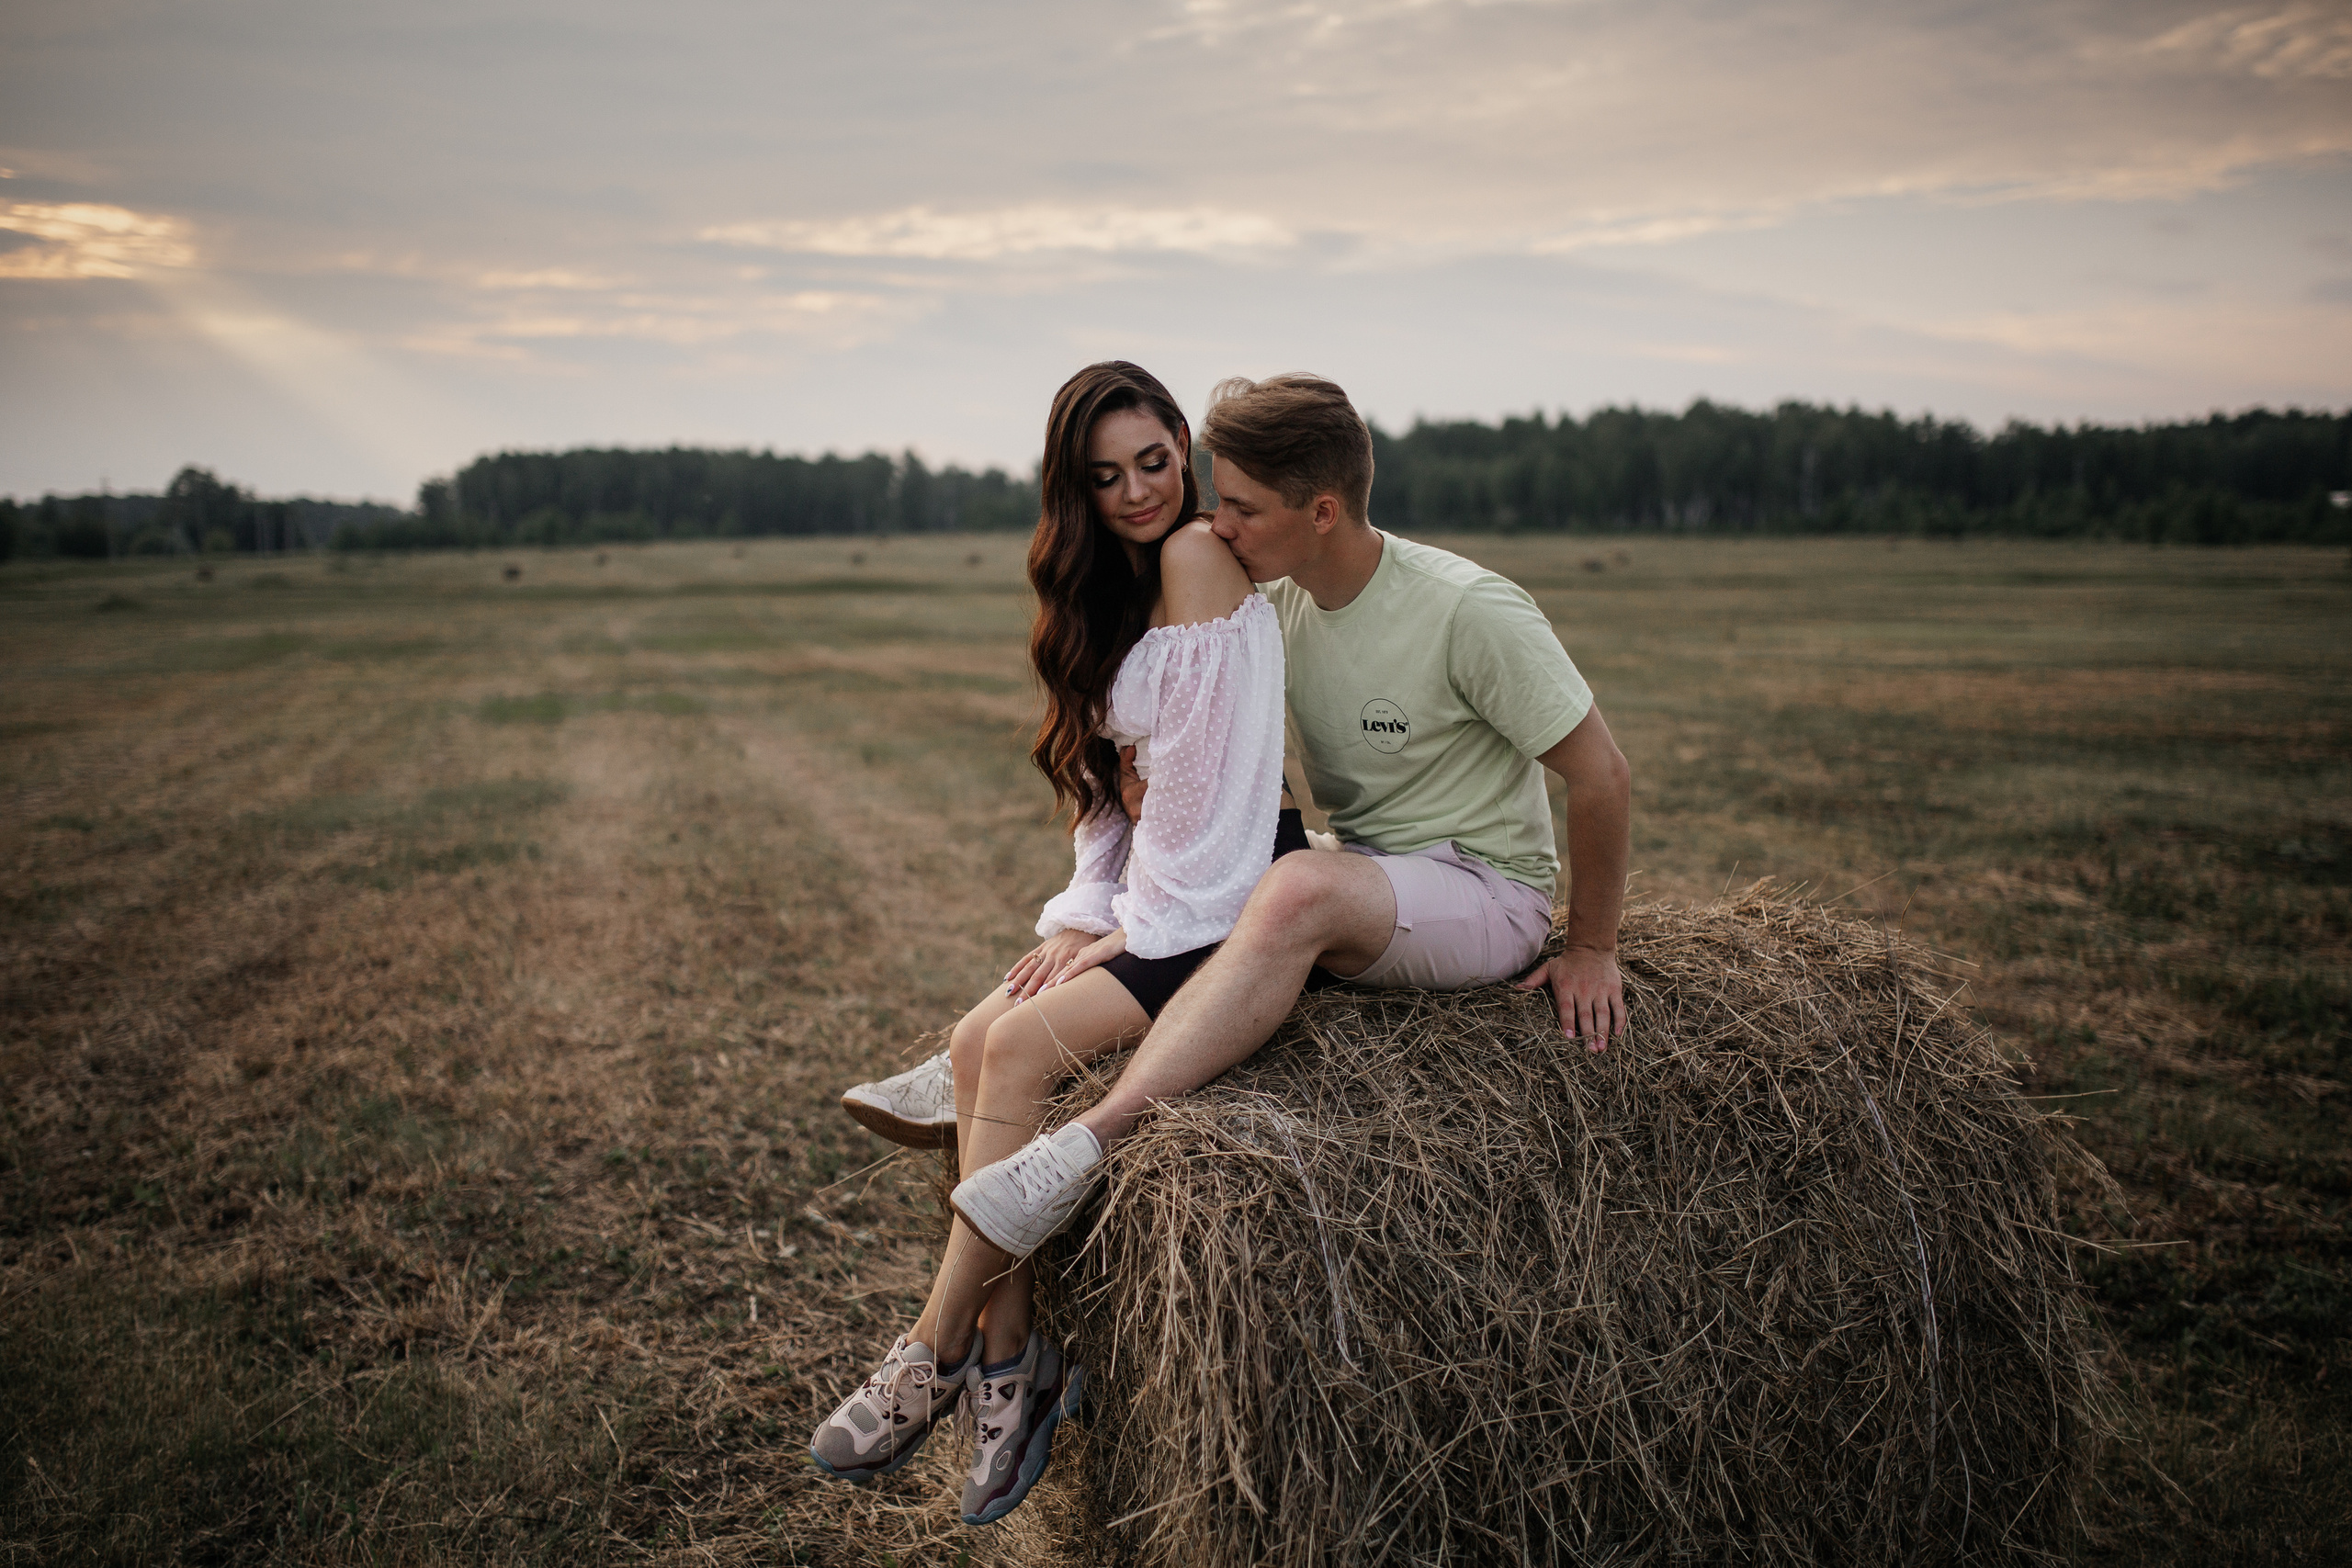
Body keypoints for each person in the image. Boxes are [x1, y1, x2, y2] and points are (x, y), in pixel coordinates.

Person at [943, 371, 1633, 1261]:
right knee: (1287, 878)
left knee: (1295, 884)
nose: (1214, 526)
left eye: (1240, 508)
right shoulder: (1274, 598)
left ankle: (1095, 1138)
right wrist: (1137, 780)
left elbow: (1603, 775)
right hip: (1368, 873)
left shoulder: (1468, 609)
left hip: (1482, 889)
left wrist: (1593, 949)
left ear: (1322, 512)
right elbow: (1197, 726)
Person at [809, 361, 1305, 1527]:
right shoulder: (1109, 585)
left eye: (1153, 460)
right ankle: (1015, 1353)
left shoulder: (1193, 556)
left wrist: (1134, 924)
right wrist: (1087, 914)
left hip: (1224, 882)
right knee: (985, 1040)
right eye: (1106, 475)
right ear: (1073, 490)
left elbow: (1195, 781)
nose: (1139, 491)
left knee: (1022, 1049)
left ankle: (936, 1355)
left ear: (1185, 444)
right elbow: (1107, 791)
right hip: (1157, 880)